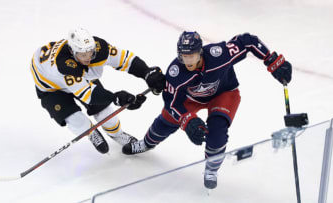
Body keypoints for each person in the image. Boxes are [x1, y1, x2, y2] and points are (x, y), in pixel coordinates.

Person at [122, 31, 292, 189]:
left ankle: (211, 169)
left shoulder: (219, 54)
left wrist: (273, 61)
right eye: (183, 57)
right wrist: (187, 120)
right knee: (166, 121)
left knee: (217, 130)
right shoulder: (175, 73)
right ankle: (146, 143)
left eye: (192, 56)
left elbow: (248, 42)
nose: (187, 62)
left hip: (224, 93)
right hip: (191, 99)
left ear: (200, 52)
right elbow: (171, 103)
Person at [30, 27, 165, 154]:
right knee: (75, 120)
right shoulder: (65, 67)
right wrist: (115, 97)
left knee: (106, 113)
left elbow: (125, 59)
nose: (88, 57)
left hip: (79, 76)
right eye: (83, 55)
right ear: (72, 52)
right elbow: (88, 94)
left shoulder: (98, 49)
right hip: (51, 87)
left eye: (90, 52)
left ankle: (117, 134)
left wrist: (146, 72)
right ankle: (90, 132)